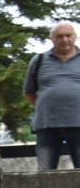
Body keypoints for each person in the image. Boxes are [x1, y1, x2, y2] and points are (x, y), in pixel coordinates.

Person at [22, 22, 80, 170]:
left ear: (75, 37)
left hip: (78, 124)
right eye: (60, 36)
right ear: (52, 39)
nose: (65, 39)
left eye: (68, 35)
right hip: (47, 126)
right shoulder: (39, 60)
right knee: (45, 173)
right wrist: (48, 107)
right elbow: (28, 92)